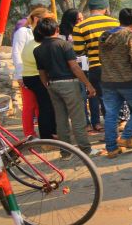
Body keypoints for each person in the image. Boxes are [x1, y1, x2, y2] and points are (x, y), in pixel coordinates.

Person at [33, 18, 99, 156]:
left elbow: (42, 72)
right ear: (57, 29)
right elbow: (74, 66)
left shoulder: (38, 50)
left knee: (60, 119)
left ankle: (65, 152)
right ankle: (85, 149)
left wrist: (47, 85)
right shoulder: (64, 45)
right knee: (78, 118)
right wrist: (88, 84)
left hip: (52, 84)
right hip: (69, 83)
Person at [98, 8, 132, 157]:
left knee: (111, 115)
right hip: (129, 80)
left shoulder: (104, 36)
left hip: (107, 80)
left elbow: (101, 58)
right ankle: (126, 137)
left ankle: (111, 148)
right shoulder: (131, 36)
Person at [72, 0, 119, 133]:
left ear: (90, 8)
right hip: (117, 66)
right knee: (117, 98)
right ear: (105, 8)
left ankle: (111, 132)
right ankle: (117, 129)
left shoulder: (80, 27)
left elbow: (79, 52)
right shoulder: (116, 23)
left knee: (104, 100)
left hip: (96, 67)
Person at [18, 8, 56, 139]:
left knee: (42, 106)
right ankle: (46, 137)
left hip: (29, 76)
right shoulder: (36, 44)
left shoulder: (31, 43)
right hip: (35, 77)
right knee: (44, 107)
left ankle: (49, 134)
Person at [12, 6, 49, 137]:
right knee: (29, 105)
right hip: (27, 73)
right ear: (37, 19)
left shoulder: (40, 32)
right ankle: (29, 134)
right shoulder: (23, 32)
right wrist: (20, 74)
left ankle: (45, 134)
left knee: (41, 104)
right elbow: (16, 53)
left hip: (39, 72)